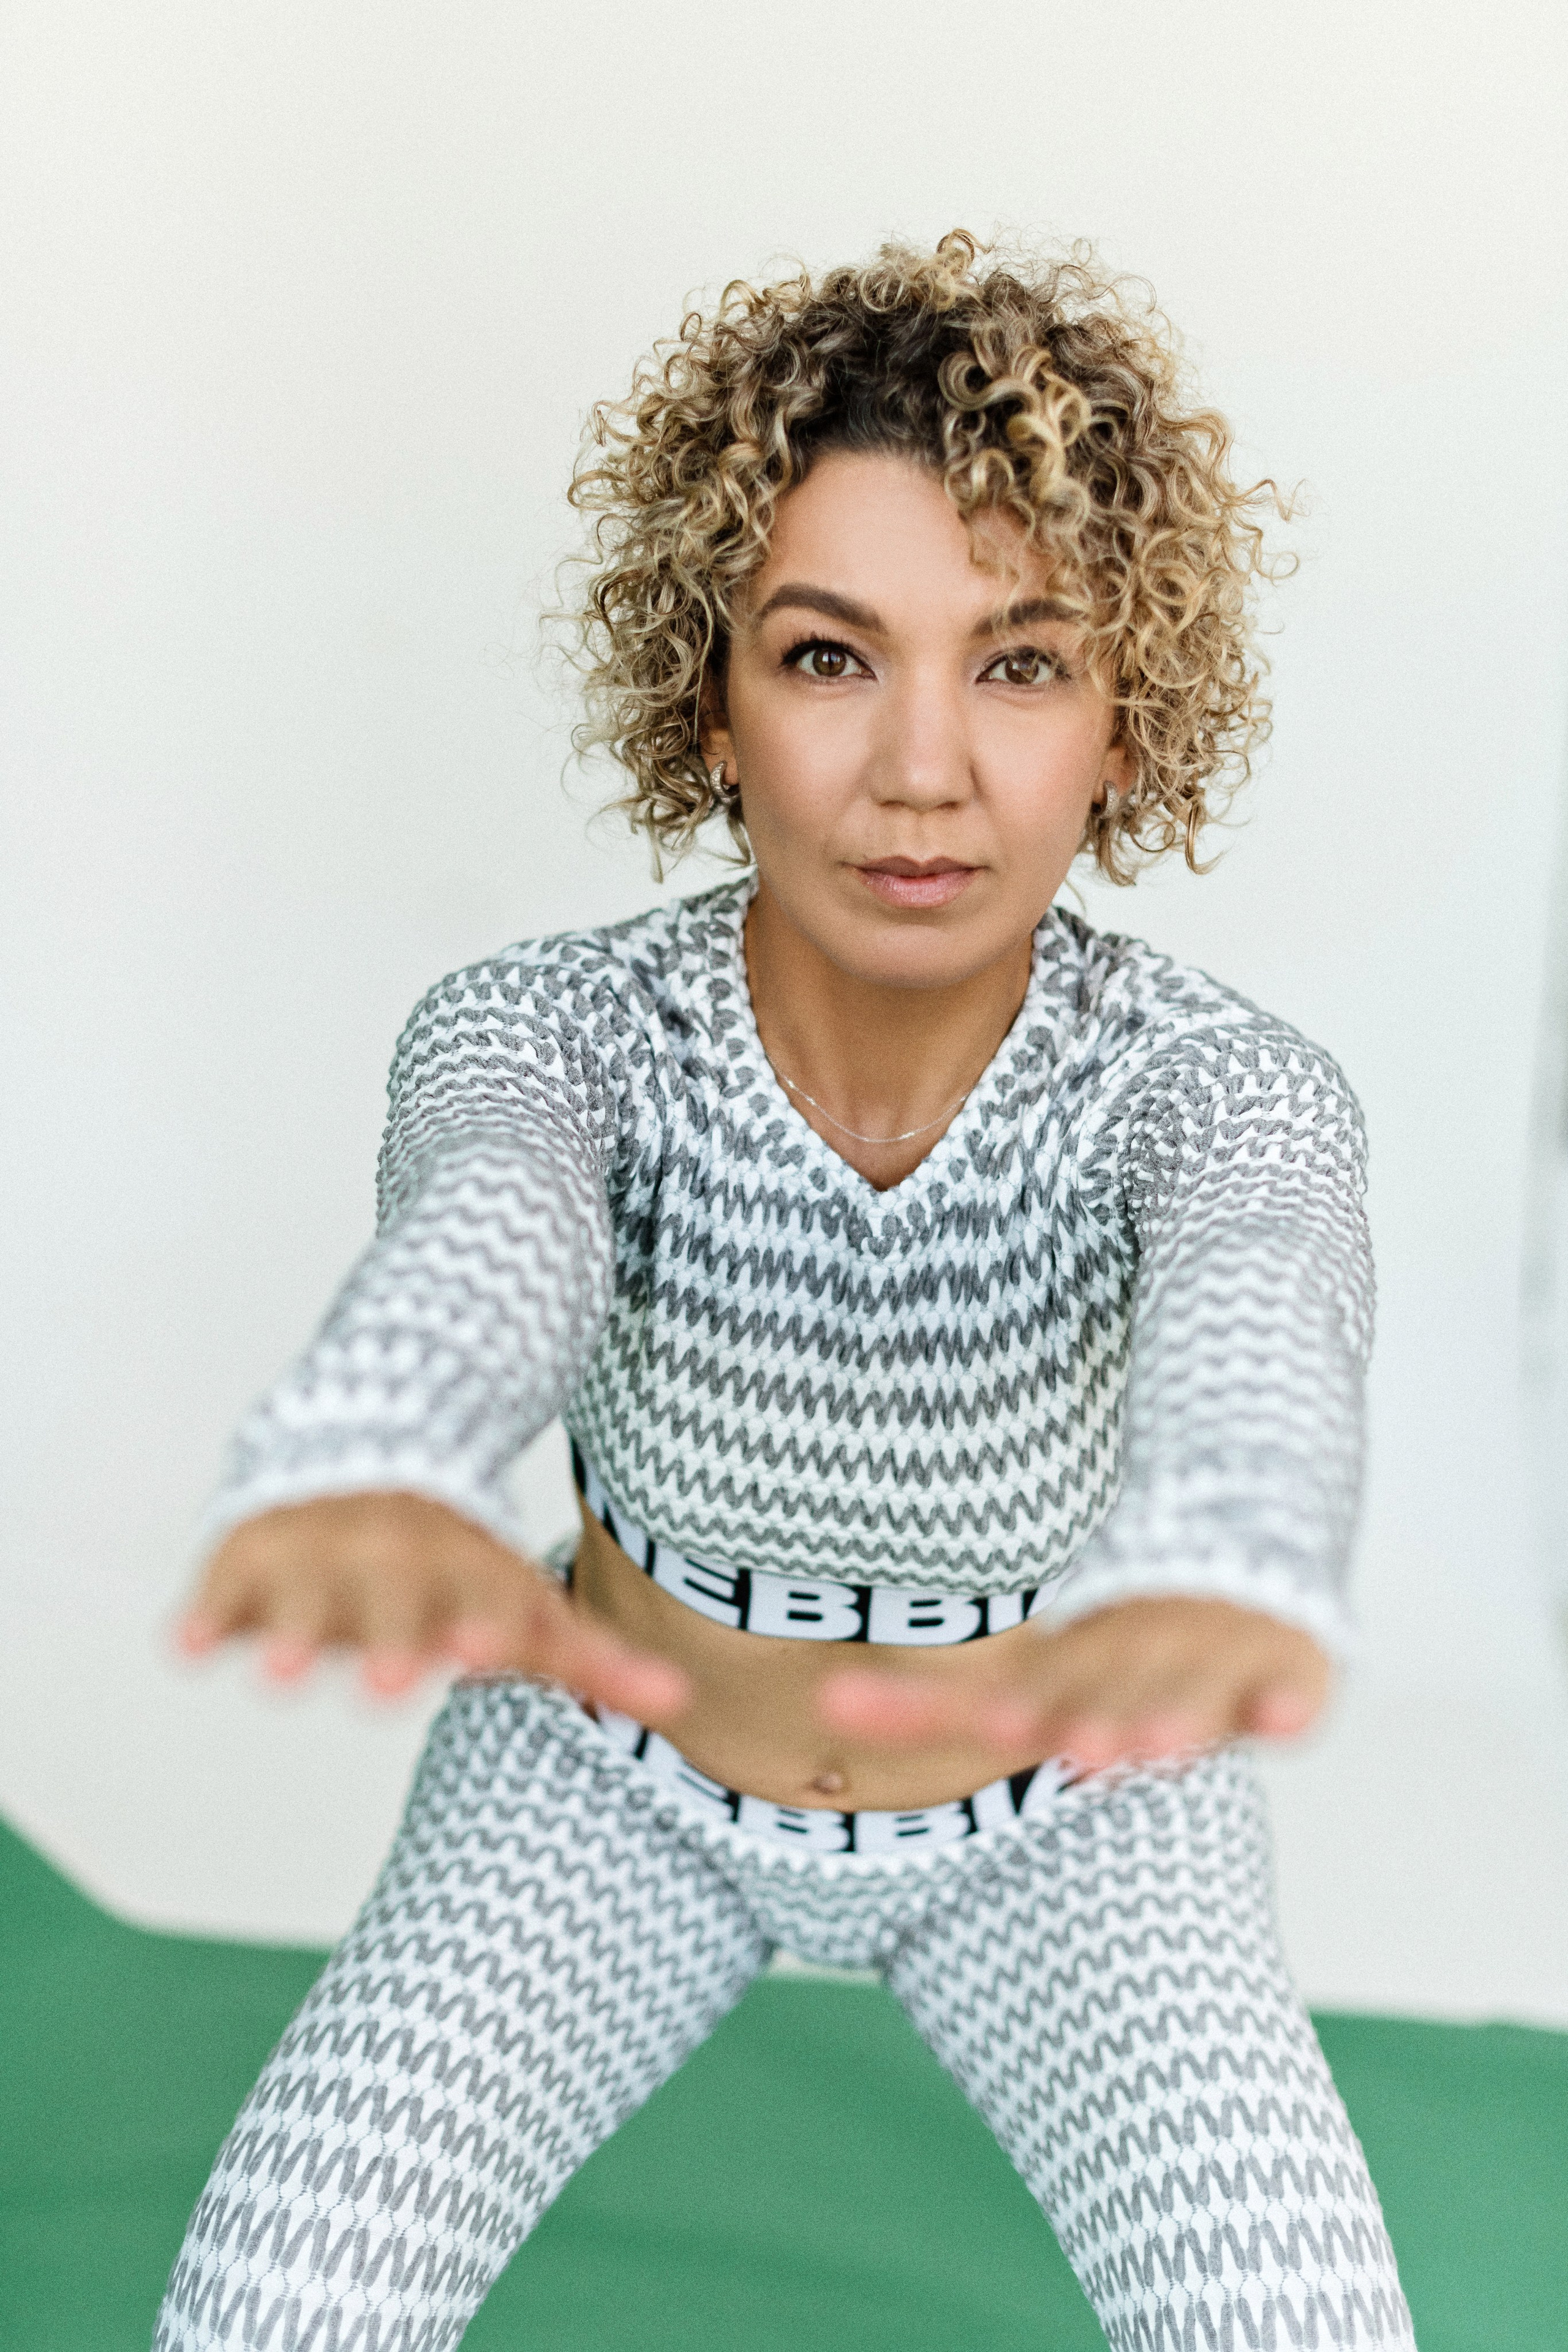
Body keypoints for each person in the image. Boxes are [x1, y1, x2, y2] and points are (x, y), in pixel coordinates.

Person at [154, 231, 1415, 2349]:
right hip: (597, 1785)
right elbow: (488, 1226)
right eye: (831, 656)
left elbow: (1263, 1297)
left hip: (1079, 1822)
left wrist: (1237, 1555)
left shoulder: (1223, 1091)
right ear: (710, 704)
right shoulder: (547, 1033)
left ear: (1128, 723)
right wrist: (371, 1448)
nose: (923, 767)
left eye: (1022, 664)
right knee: (269, 2312)